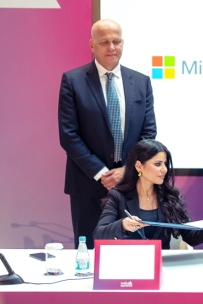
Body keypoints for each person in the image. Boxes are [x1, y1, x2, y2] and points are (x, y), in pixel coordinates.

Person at [59, 19, 157, 248]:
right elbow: (69, 135)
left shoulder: (141, 82)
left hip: (132, 183)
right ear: (92, 45)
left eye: (116, 41)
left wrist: (127, 171)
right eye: (104, 42)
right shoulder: (73, 81)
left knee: (132, 252)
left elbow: (149, 134)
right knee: (91, 251)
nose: (111, 47)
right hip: (88, 184)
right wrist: (102, 173)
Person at [94, 140, 203, 248]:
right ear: (139, 166)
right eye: (157, 164)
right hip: (128, 263)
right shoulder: (118, 195)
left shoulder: (171, 195)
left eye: (165, 164)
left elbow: (190, 236)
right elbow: (99, 234)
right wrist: (123, 225)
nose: (164, 169)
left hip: (161, 264)